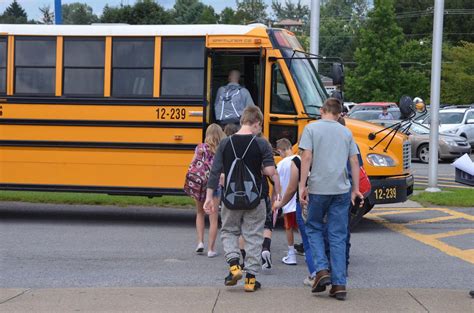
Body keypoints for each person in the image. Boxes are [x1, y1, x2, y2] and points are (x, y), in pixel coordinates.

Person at [204, 106, 281, 292]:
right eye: (259, 126)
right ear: (257, 123)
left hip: (230, 198)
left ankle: (234, 265)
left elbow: (215, 172)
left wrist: (208, 197)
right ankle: (251, 280)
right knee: (254, 235)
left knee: (229, 231)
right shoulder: (261, 143)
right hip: (256, 198)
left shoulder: (225, 143)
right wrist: (276, 188)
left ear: (242, 121)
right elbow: (271, 171)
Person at [299, 98, 364, 301]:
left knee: (314, 228)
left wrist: (302, 185)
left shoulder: (311, 128)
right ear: (339, 114)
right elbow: (354, 161)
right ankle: (339, 284)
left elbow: (306, 157)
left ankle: (321, 270)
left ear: (322, 110)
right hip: (341, 190)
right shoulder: (346, 132)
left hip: (318, 187)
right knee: (338, 235)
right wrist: (356, 189)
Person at [273, 147, 317, 286]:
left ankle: (312, 272)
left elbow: (287, 186)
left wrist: (279, 202)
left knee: (295, 231)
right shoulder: (321, 159)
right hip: (320, 200)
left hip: (296, 203)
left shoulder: (292, 162)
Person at [184, 123, 226, 258]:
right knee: (213, 219)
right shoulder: (221, 149)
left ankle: (200, 242)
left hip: (199, 184)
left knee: (200, 213)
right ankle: (211, 249)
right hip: (214, 186)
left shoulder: (199, 148)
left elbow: (192, 164)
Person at [275, 138, 300, 266]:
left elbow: (277, 186)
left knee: (289, 227)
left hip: (287, 202)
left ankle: (291, 254)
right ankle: (310, 252)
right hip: (301, 201)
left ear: (280, 151)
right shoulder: (299, 160)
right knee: (304, 229)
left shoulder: (280, 165)